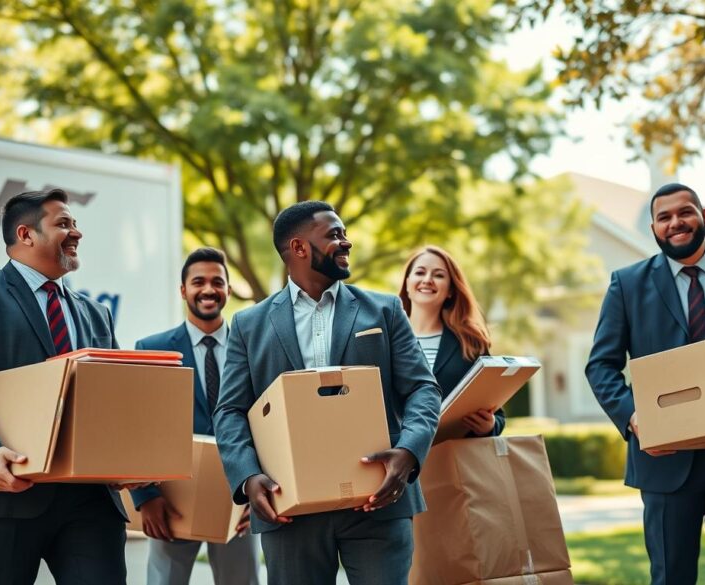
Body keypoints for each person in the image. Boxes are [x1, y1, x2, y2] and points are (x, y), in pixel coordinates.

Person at [213, 200, 441, 585]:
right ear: (299, 247)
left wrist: (409, 452)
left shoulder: (385, 310)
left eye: (345, 233)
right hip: (289, 509)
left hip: (377, 501)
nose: (346, 242)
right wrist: (247, 477)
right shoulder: (249, 324)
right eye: (335, 235)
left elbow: (423, 388)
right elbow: (230, 411)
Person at [0, 189, 129, 584]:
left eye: (75, 223)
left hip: (90, 501)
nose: (77, 233)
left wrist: (130, 458)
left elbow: (115, 395)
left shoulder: (96, 313)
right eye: (64, 224)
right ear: (26, 234)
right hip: (8, 494)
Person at [585, 183, 705, 585]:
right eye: (663, 217)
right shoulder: (627, 284)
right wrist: (635, 419)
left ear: (704, 215)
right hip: (665, 461)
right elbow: (600, 366)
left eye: (684, 212)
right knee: (671, 577)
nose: (675, 223)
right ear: (653, 228)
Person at [130, 247, 260, 585]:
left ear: (228, 290)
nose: (208, 289)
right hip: (172, 498)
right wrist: (146, 498)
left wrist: (261, 492)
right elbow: (137, 427)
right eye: (198, 281)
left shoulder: (253, 349)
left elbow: (270, 425)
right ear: (183, 290)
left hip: (240, 496)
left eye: (217, 282)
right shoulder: (152, 349)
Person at [399, 245, 504, 436]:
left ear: (450, 290)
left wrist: (490, 426)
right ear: (407, 283)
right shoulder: (385, 338)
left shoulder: (470, 343)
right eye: (420, 272)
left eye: (439, 275)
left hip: (453, 451)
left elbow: (497, 414)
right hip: (399, 450)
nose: (427, 280)